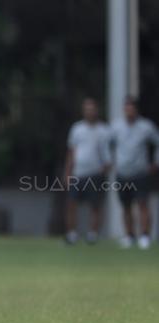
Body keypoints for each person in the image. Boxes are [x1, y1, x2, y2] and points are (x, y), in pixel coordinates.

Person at [111, 96, 159, 249]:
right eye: (126, 108)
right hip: (122, 173)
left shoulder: (146, 126)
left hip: (141, 173)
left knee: (142, 204)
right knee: (126, 206)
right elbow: (107, 145)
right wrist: (111, 162)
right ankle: (129, 235)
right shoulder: (116, 126)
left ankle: (145, 235)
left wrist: (156, 163)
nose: (129, 111)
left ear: (136, 109)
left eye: (131, 108)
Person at [64, 98, 112, 245]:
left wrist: (104, 169)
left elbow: (108, 155)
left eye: (92, 109)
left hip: (95, 174)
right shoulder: (77, 128)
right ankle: (72, 234)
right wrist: (67, 172)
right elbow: (71, 152)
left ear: (96, 110)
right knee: (72, 203)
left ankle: (93, 234)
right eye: (87, 109)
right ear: (83, 111)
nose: (89, 112)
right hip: (78, 173)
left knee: (95, 205)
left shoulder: (104, 130)